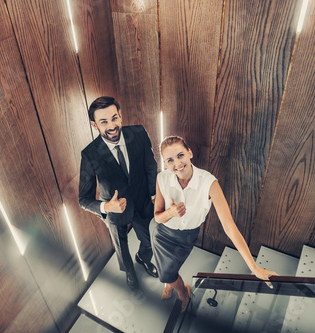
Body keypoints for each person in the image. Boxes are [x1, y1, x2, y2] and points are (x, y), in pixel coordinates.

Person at [152, 136, 277, 311]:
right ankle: (175, 286)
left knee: (167, 272)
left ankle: (183, 293)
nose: (177, 163)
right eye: (170, 160)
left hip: (186, 237)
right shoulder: (162, 178)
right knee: (167, 272)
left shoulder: (209, 182)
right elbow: (157, 217)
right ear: (165, 163)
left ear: (190, 153)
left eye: (180, 155)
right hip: (162, 234)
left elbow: (229, 226)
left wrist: (254, 267)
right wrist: (170, 213)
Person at [79, 96, 158, 290]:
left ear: (120, 117)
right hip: (114, 211)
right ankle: (130, 272)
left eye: (114, 118)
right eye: (103, 122)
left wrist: (155, 195)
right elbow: (83, 199)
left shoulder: (139, 133)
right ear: (94, 125)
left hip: (142, 202)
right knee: (122, 249)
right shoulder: (89, 154)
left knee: (150, 241)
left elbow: (150, 166)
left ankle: (143, 258)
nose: (112, 125)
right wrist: (106, 207)